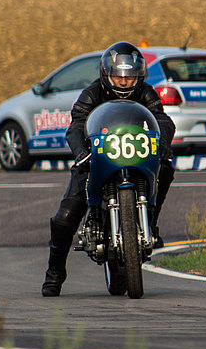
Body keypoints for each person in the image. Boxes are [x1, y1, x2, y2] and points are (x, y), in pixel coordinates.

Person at [41, 42, 176, 297]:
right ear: (106, 74)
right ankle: (54, 273)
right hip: (96, 158)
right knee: (65, 217)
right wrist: (81, 153)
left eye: (130, 77)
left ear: (139, 76)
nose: (124, 82)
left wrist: (163, 145)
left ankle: (151, 220)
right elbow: (76, 124)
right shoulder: (92, 93)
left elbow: (162, 119)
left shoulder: (147, 93)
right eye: (118, 76)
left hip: (135, 156)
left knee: (166, 168)